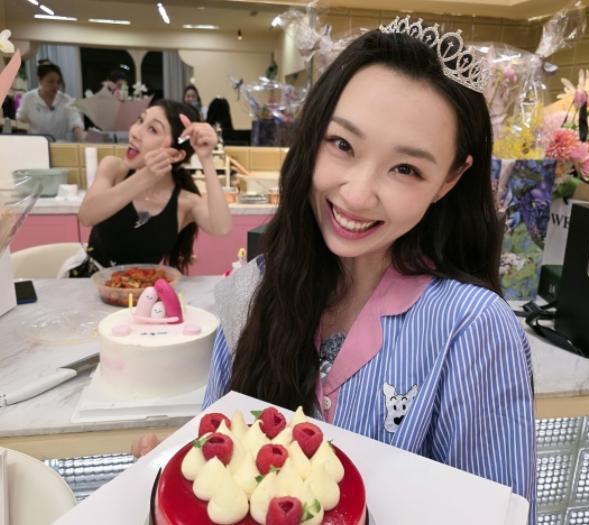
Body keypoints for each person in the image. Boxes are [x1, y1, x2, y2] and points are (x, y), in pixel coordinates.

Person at [134, 20, 537, 523]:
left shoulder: (472, 329)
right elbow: (221, 464)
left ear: (449, 180)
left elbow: (499, 513)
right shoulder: (255, 289)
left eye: (406, 169)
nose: (357, 194)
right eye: (343, 145)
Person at [77, 99, 232, 274]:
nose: (135, 132)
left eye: (152, 129)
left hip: (145, 288)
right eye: (140, 120)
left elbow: (221, 227)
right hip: (90, 282)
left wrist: (206, 158)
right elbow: (86, 216)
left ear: (176, 155)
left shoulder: (185, 203)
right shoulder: (113, 168)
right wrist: (145, 177)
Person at [16, 60, 85, 142]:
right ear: (40, 80)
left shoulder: (66, 100)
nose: (55, 85)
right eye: (50, 81)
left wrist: (83, 137)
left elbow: (76, 123)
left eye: (58, 82)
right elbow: (20, 119)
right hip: (37, 144)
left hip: (60, 145)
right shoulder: (28, 98)